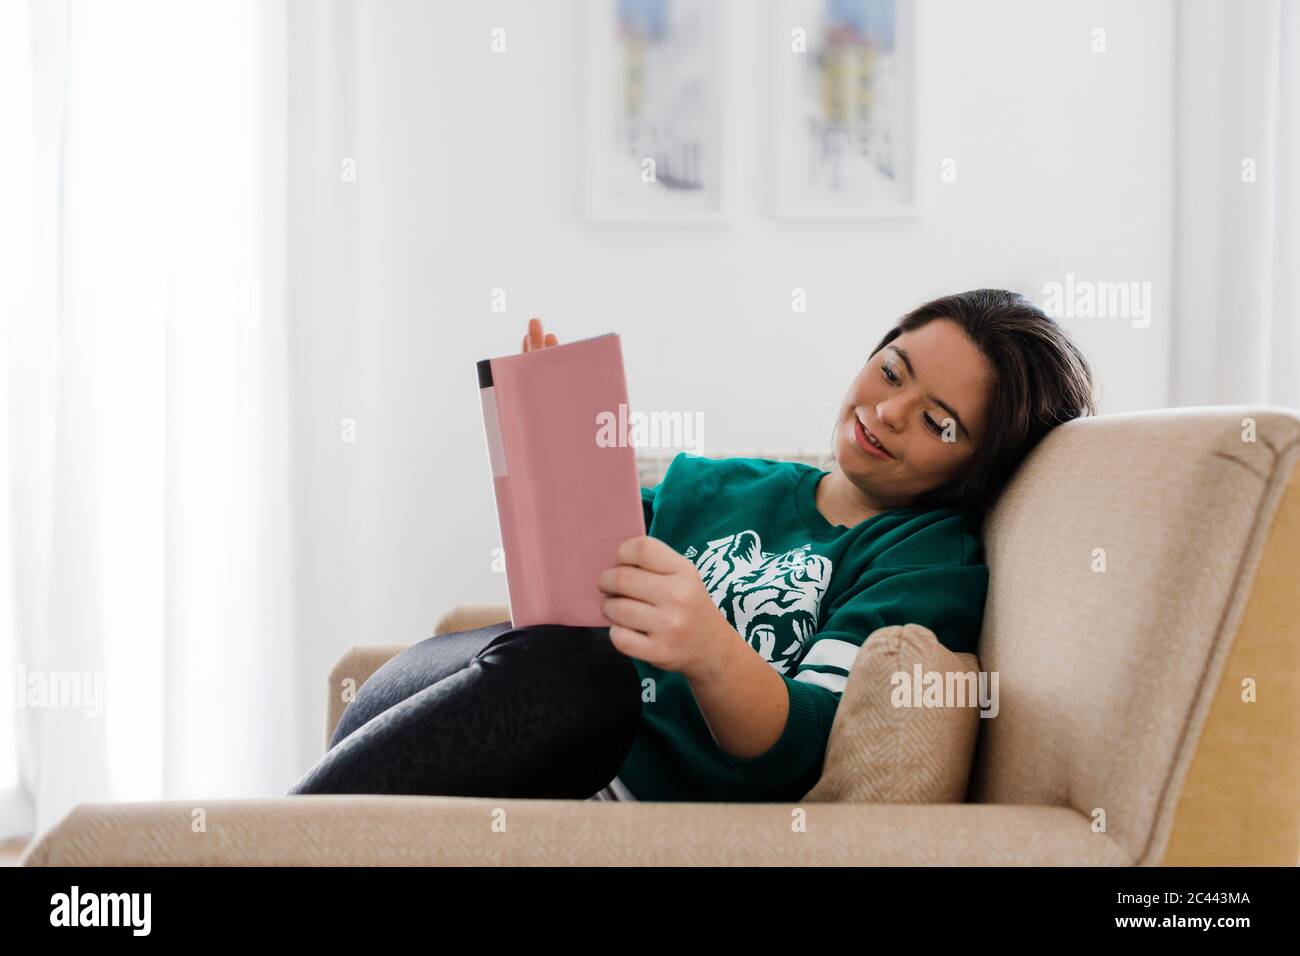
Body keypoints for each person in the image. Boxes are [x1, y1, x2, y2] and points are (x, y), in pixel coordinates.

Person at [289, 291, 1095, 803]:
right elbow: (571, 577)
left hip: (611, 767)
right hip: (538, 719)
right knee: (442, 665)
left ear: (977, 466)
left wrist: (711, 650)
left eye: (938, 421)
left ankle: (271, 849)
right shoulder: (721, 482)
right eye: (892, 372)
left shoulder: (923, 559)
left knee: (588, 681)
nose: (888, 412)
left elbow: (805, 745)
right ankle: (294, 837)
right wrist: (552, 446)